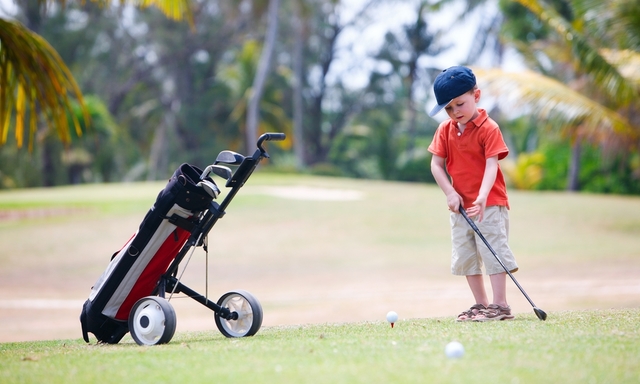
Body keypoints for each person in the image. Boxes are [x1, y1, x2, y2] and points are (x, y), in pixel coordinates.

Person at [427, 66, 518, 322]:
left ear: (476, 95)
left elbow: (492, 164)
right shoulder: (445, 129)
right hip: (460, 207)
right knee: (466, 256)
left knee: (493, 252)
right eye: (449, 109)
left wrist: (482, 195)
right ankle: (481, 304)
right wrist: (449, 193)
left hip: (488, 203)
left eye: (459, 104)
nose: (455, 112)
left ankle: (500, 306)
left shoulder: (489, 128)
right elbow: (436, 164)